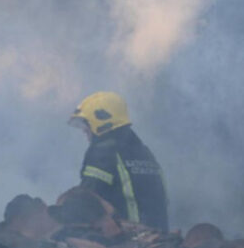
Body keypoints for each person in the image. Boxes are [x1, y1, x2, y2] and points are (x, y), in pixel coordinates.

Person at [68, 91, 169, 231]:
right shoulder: (144, 152)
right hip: (160, 238)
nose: (86, 133)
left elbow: (87, 199)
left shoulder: (102, 152)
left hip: (129, 240)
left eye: (87, 127)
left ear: (101, 122)